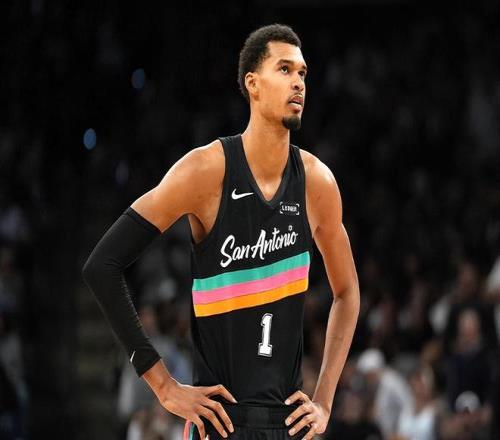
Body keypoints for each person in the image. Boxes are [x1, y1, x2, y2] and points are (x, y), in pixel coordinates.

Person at [82, 23, 360, 440]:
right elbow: (102, 265)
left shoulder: (317, 183)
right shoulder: (206, 170)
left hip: (289, 426)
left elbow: (347, 292)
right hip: (220, 422)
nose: (299, 83)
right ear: (252, 83)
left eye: (303, 73)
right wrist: (164, 386)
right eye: (285, 69)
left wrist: (324, 399)